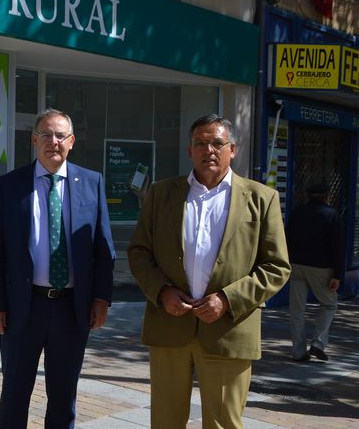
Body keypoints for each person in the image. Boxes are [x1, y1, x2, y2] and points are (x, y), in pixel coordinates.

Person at [128, 114, 290, 429]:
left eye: (217, 143)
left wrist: (228, 300)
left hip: (228, 330)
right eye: (200, 143)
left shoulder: (260, 198)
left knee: (222, 423)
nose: (209, 150)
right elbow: (138, 252)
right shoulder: (161, 194)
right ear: (190, 151)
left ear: (232, 149)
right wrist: (161, 291)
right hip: (169, 326)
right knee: (165, 421)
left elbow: (277, 266)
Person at [0, 108, 115, 428]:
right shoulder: (9, 185)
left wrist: (100, 299)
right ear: (34, 140)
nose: (52, 142)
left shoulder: (92, 183)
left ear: (71, 142)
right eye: (45, 134)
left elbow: (103, 249)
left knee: (63, 395)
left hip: (72, 309)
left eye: (59, 136)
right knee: (14, 393)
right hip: (22, 307)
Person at [286, 182, 344, 362]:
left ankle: (298, 351)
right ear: (327, 196)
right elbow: (338, 246)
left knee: (297, 310)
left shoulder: (298, 213)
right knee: (328, 305)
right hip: (322, 268)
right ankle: (318, 344)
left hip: (296, 265)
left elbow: (287, 237)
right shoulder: (331, 215)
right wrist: (337, 275)